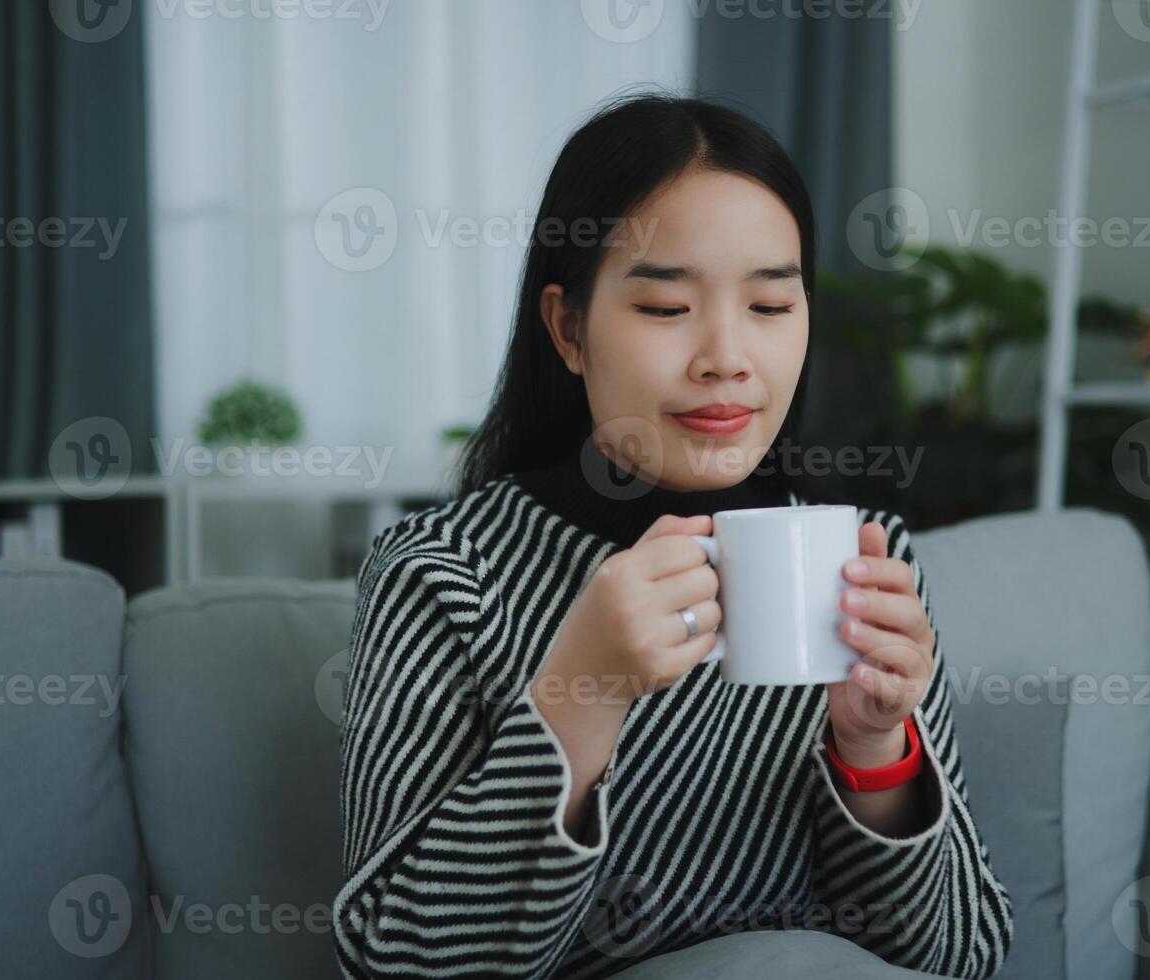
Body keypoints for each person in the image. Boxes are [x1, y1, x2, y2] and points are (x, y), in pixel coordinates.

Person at [334, 92, 1012, 979]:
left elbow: (962, 955)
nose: (726, 357)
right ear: (568, 329)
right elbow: (391, 963)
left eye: (771, 308)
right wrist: (583, 692)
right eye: (664, 310)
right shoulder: (444, 573)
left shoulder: (858, 559)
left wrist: (876, 753)